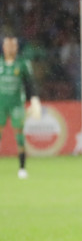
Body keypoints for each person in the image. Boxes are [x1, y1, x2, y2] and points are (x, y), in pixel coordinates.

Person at [0, 36, 41, 179]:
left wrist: (34, 99)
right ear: (3, 47)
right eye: (8, 45)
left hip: (17, 105)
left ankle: (22, 168)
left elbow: (30, 83)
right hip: (0, 105)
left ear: (16, 48)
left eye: (13, 46)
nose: (10, 48)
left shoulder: (22, 64)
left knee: (19, 136)